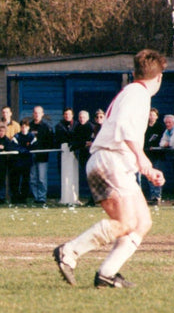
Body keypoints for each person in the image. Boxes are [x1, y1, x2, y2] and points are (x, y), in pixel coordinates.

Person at [53, 49, 167, 288]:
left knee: (142, 222)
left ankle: (107, 273)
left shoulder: (134, 92)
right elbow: (124, 128)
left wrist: (144, 166)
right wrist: (142, 159)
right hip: (110, 160)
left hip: (116, 162)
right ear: (159, 78)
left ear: (135, 73)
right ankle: (69, 251)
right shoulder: (138, 93)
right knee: (125, 222)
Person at [28, 106, 54, 204]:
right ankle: (36, 197)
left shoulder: (46, 127)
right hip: (31, 157)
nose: (37, 114)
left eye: (39, 113)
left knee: (42, 179)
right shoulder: (29, 126)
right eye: (35, 113)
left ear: (42, 114)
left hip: (42, 157)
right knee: (32, 179)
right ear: (33, 114)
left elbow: (50, 141)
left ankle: (42, 197)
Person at [70, 110, 94, 204]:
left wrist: (82, 144)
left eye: (83, 117)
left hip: (90, 155)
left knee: (92, 177)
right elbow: (77, 141)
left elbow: (88, 142)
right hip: (83, 155)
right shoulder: (77, 127)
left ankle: (93, 198)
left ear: (87, 118)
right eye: (80, 117)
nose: (81, 119)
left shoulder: (91, 127)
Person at [143, 107, 165, 205]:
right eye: (150, 114)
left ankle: (157, 195)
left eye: (153, 115)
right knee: (148, 176)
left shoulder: (160, 127)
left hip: (157, 155)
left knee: (157, 175)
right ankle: (152, 195)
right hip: (147, 155)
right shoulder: (144, 127)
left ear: (156, 116)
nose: (151, 117)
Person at [10, 118, 35, 204]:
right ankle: (15, 198)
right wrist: (25, 150)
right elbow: (14, 146)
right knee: (15, 181)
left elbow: (34, 145)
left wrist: (25, 150)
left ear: (28, 127)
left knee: (26, 181)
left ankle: (24, 198)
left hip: (27, 162)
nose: (24, 129)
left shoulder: (31, 136)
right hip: (17, 163)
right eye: (22, 127)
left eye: (25, 127)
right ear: (20, 127)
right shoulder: (17, 136)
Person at [158, 114, 174, 201]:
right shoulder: (167, 131)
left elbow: (172, 143)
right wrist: (165, 144)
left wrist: (167, 143)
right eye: (166, 122)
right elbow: (161, 143)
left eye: (169, 122)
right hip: (173, 158)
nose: (167, 124)